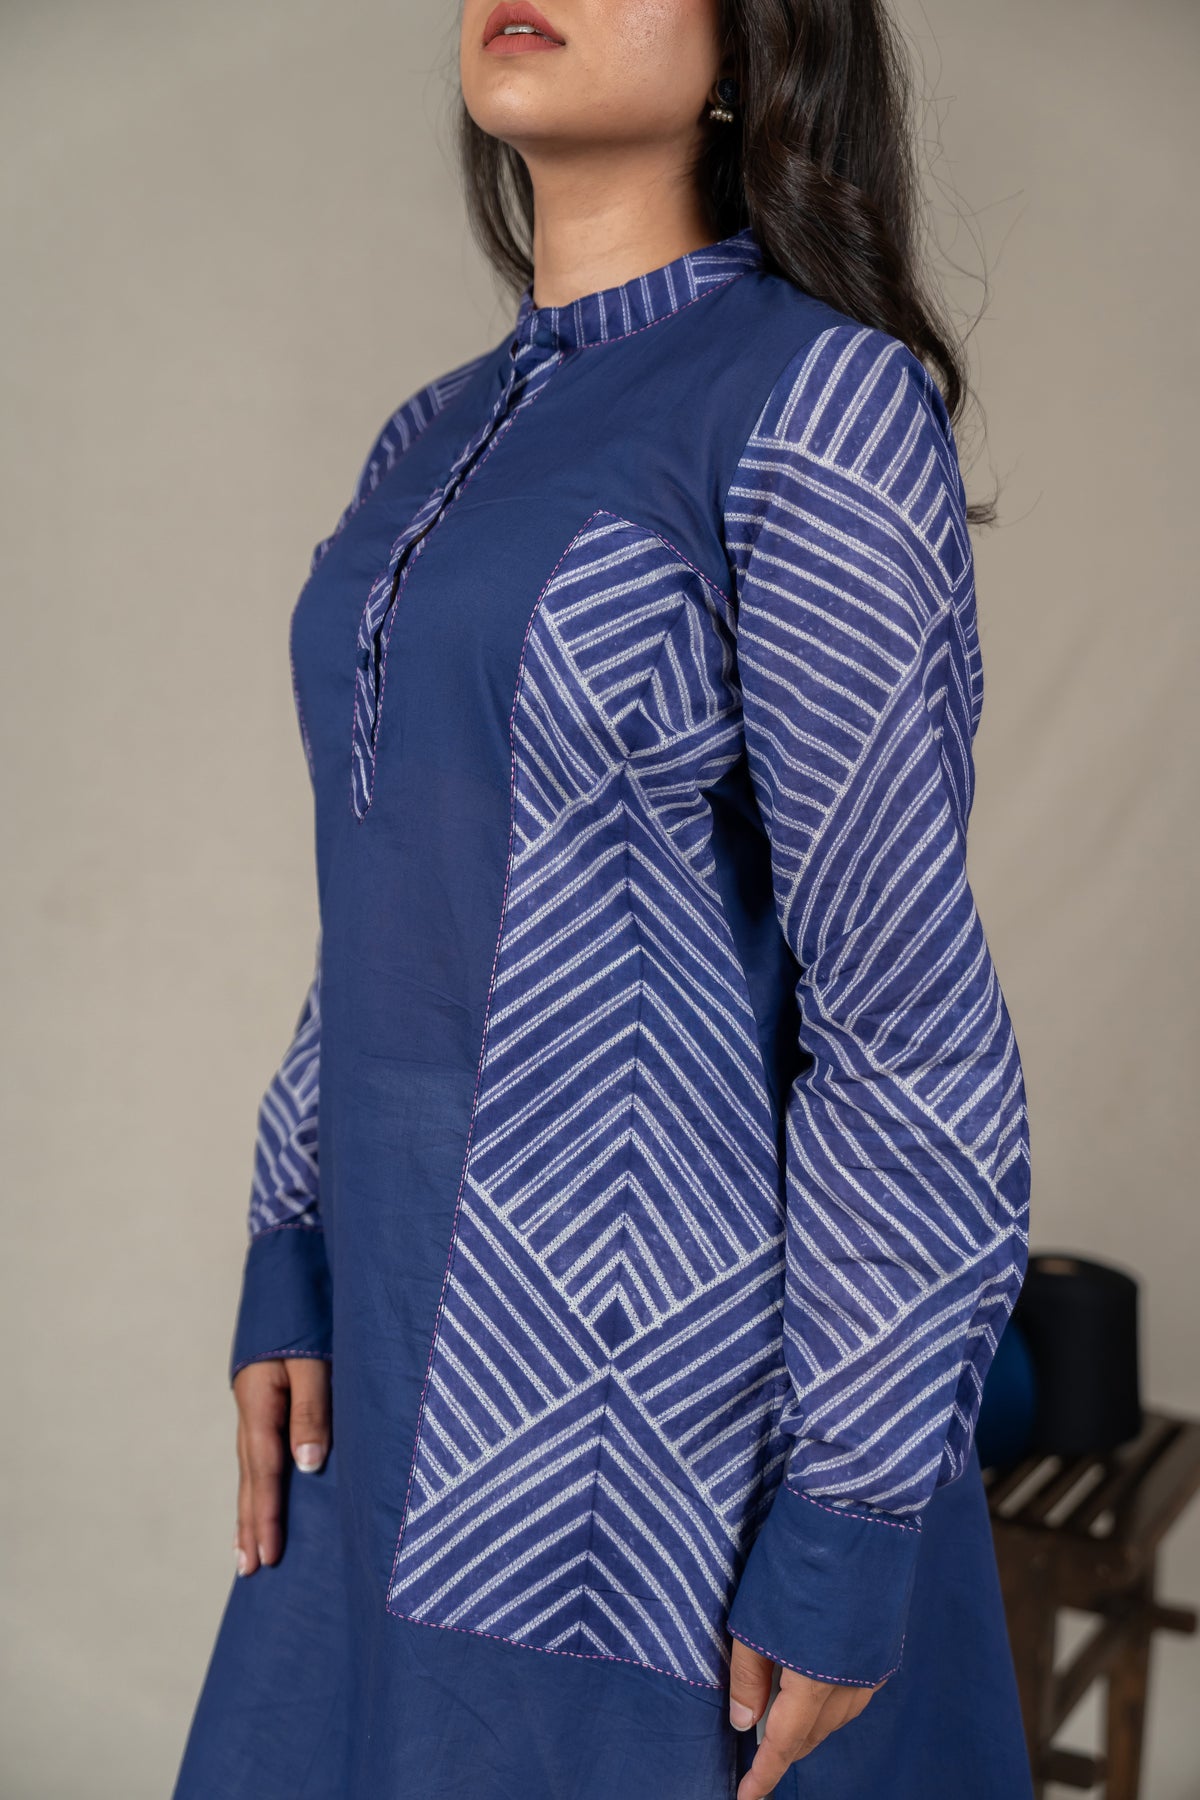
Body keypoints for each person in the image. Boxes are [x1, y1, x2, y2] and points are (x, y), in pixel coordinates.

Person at [172, 1, 1034, 1795]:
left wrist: (854, 1508)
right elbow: (394, 895)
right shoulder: (430, 434)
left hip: (644, 1450)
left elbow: (905, 1022)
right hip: (384, 1369)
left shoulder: (817, 405)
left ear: (756, 40)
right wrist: (293, 1242)